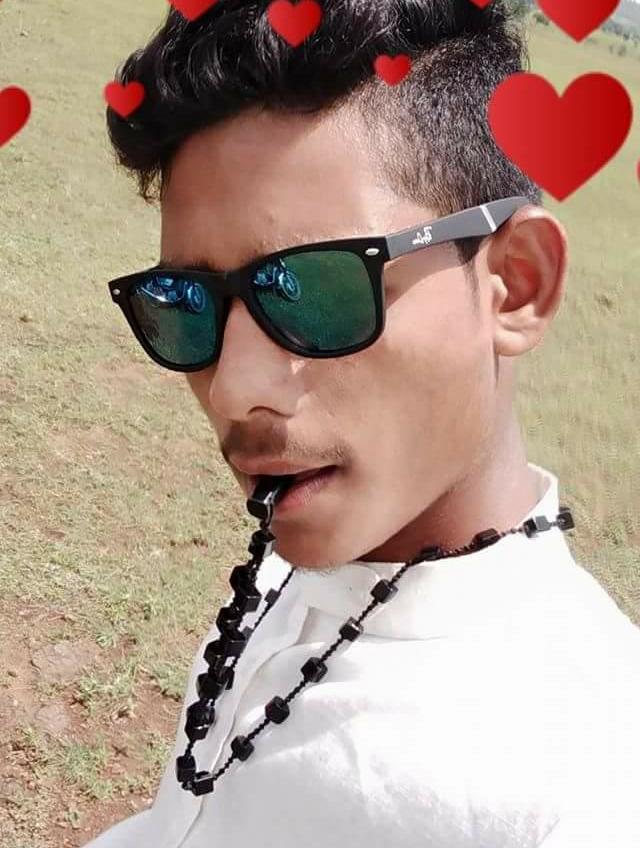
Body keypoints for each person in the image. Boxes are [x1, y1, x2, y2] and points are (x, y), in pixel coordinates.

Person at [85, 0, 640, 845]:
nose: (232, 390)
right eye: (185, 302)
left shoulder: (576, 795)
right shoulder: (314, 558)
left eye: (315, 289)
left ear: (515, 285)